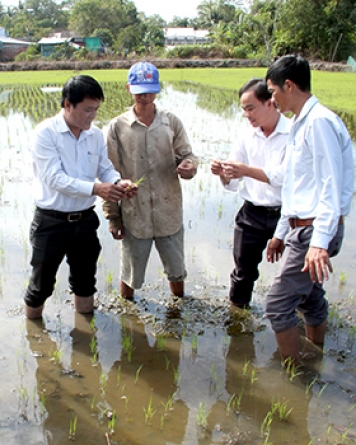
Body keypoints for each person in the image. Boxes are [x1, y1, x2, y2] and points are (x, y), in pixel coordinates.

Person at [23, 75, 137, 319]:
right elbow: (55, 179)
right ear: (67, 104)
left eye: (95, 109)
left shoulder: (94, 135)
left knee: (85, 281)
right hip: (51, 222)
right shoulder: (45, 134)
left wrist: (118, 181)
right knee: (40, 285)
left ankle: (87, 335)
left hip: (84, 221)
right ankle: (34, 337)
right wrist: (97, 189)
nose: (92, 115)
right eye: (87, 109)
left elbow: (104, 167)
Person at [264, 55, 353, 365]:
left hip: (315, 228)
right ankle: (317, 354)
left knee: (277, 304)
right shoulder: (301, 123)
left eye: (273, 92)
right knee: (310, 295)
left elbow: (331, 183)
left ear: (289, 85)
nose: (272, 100)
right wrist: (281, 233)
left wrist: (318, 243)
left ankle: (295, 374)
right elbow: (296, 185)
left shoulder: (320, 123)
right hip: (302, 226)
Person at [103, 61, 198, 300]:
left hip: (169, 211)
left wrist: (189, 167)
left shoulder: (171, 122)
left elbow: (187, 154)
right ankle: (128, 317)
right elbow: (109, 173)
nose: (145, 96)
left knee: (176, 271)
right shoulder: (117, 127)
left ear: (158, 89)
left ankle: (179, 309)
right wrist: (113, 218)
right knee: (130, 274)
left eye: (150, 90)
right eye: (139, 91)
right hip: (136, 214)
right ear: (129, 89)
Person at [211, 78, 290, 309]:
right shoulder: (246, 135)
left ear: (269, 102)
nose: (247, 114)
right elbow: (234, 183)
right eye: (244, 109)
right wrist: (223, 173)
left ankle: (301, 321)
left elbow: (284, 177)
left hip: (287, 214)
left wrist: (245, 170)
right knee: (242, 272)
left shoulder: (293, 133)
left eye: (250, 108)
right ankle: (237, 317)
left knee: (296, 274)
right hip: (252, 213)